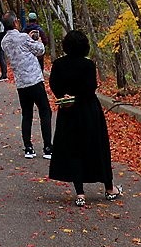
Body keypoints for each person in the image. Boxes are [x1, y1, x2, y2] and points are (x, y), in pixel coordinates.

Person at [48, 30, 120, 207]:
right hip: (88, 111)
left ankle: (80, 193)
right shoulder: (88, 65)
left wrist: (64, 97)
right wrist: (79, 98)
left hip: (67, 111)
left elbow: (53, 84)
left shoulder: (58, 64)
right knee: (98, 147)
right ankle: (109, 188)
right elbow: (90, 87)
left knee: (73, 149)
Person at [0, 12, 52, 159]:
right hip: (34, 79)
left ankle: (28, 147)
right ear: (16, 22)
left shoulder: (4, 42)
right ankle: (48, 147)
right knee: (45, 111)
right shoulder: (23, 38)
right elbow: (40, 50)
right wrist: (39, 40)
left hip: (21, 82)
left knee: (27, 114)